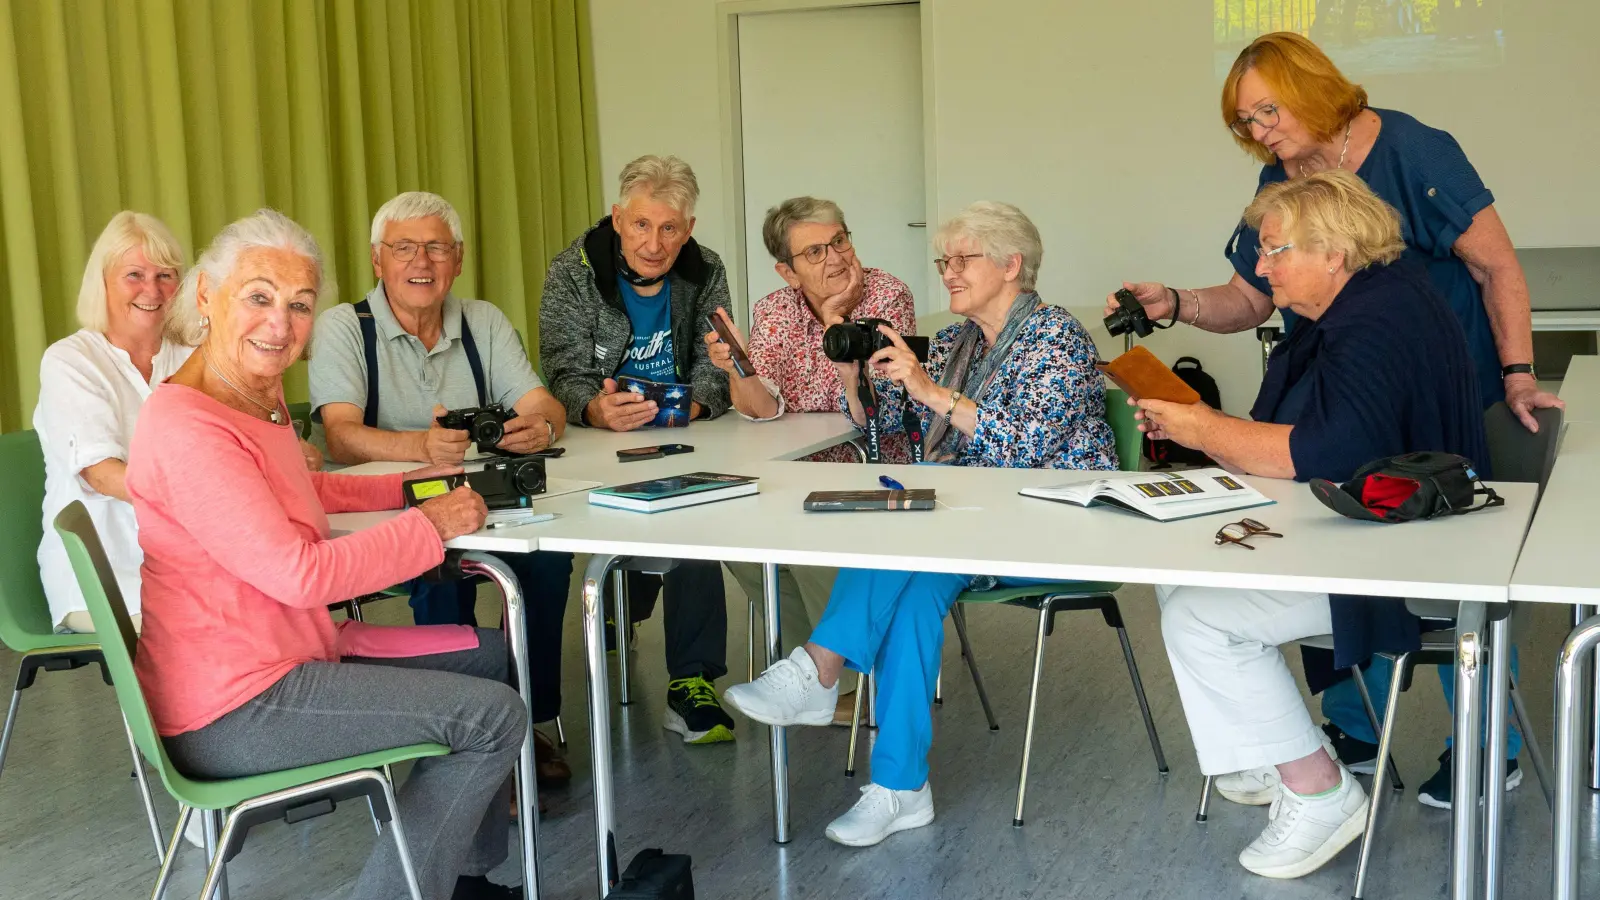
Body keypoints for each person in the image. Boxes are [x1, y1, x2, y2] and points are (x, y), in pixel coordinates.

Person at [1109, 30, 1549, 806]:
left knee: (1449, 570)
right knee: (1328, 523)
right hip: (1347, 400)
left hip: (1440, 400)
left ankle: (1486, 743)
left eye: (1267, 111)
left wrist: (1517, 372)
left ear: (1313, 89)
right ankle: (1349, 727)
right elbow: (1252, 297)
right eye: (1243, 122)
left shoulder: (1410, 149)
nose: (1257, 132)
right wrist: (1174, 305)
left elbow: (1495, 264)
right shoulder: (1281, 188)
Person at [126, 209, 525, 900]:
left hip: (286, 657)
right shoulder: (188, 426)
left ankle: (462, 880)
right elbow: (298, 573)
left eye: (299, 305)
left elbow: (296, 488)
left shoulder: (249, 394)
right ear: (205, 298)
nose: (279, 324)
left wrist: (411, 486)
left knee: (494, 656)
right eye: (258, 297)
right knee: (493, 718)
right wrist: (428, 524)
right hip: (236, 707)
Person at [724, 201, 1116, 847]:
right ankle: (900, 789)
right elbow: (899, 442)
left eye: (962, 259)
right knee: (909, 586)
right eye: (944, 260)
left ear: (1012, 263)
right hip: (971, 526)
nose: (948, 273)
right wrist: (863, 380)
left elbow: (1027, 449)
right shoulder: (964, 342)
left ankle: (818, 670)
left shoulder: (1057, 336)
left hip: (1053, 524)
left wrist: (932, 391)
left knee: (909, 529)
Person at [1137, 171, 1489, 879]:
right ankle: (1273, 757)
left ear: (1334, 251)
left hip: (1413, 557)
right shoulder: (1370, 304)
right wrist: (1206, 431)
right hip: (1387, 533)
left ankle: (1320, 791)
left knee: (1200, 621)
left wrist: (1204, 428)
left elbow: (1322, 451)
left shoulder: (1376, 320)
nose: (1259, 270)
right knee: (1177, 584)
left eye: (1273, 251)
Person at [309, 190, 573, 785]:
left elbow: (541, 403)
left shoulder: (481, 320)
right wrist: (418, 449)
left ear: (458, 258)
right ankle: (460, 729)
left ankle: (526, 715)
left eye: (436, 248)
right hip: (384, 507)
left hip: (479, 496)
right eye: (404, 248)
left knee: (549, 563)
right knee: (438, 571)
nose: (420, 262)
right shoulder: (344, 327)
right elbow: (342, 437)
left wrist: (542, 426)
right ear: (378, 260)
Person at [35, 211, 321, 636]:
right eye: (134, 274)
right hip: (107, 576)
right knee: (247, 625)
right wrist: (214, 500)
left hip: (194, 565)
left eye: (166, 275)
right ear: (103, 282)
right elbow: (100, 473)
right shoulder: (70, 361)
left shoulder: (195, 353)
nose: (152, 290)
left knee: (282, 609)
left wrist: (287, 456)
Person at [538, 155, 737, 744]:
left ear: (689, 228)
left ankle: (691, 681)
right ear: (618, 218)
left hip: (685, 432)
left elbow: (717, 363)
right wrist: (594, 408)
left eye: (670, 228)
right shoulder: (572, 273)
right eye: (642, 225)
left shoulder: (706, 270)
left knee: (696, 517)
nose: (655, 243)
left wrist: (694, 404)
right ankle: (619, 606)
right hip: (602, 440)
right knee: (622, 526)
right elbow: (562, 369)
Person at [708, 196, 917, 667]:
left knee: (801, 530)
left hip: (876, 462)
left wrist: (832, 321)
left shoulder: (887, 296)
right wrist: (737, 369)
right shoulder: (774, 310)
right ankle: (815, 660)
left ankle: (839, 676)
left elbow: (876, 413)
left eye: (839, 241)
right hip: (795, 465)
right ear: (788, 272)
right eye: (815, 252)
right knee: (734, 536)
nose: (836, 257)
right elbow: (762, 407)